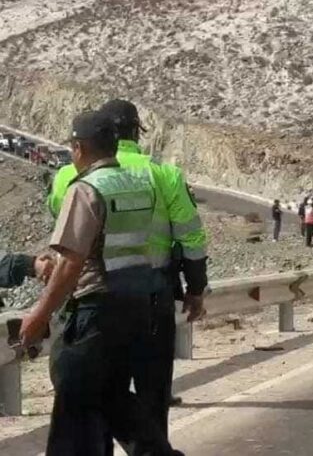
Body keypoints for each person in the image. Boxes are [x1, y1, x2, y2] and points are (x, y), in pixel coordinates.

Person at [48, 99, 209, 440]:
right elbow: (191, 236)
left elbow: (65, 242)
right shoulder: (163, 174)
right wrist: (195, 289)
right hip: (153, 299)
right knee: (151, 401)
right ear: (137, 131)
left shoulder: (69, 175)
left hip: (94, 303)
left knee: (105, 396)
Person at [20, 111, 179, 455]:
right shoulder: (138, 184)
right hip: (137, 308)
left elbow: (70, 264)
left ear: (78, 147)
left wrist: (41, 314)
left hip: (96, 310)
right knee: (113, 397)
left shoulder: (87, 190)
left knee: (73, 398)